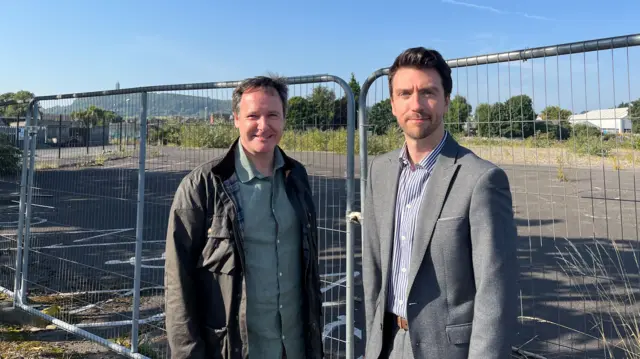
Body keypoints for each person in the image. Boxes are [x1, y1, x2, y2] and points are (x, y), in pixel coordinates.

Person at [361, 47, 518, 359]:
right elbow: (373, 270)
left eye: (428, 92)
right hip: (387, 345)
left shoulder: (481, 179)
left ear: (446, 100)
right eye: (405, 93)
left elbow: (496, 293)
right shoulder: (378, 171)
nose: (416, 104)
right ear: (393, 104)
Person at [164, 75, 324, 359]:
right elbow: (178, 283)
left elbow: (308, 271)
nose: (264, 125)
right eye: (253, 115)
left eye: (273, 115)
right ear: (236, 119)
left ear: (284, 118)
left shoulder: (297, 177)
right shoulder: (201, 186)